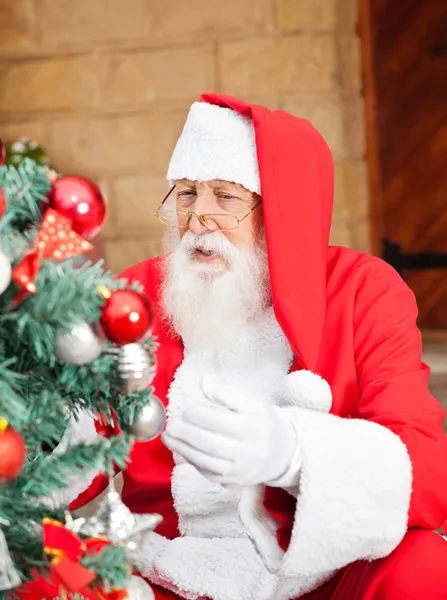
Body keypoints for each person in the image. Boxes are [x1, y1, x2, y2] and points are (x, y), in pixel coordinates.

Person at [72, 94, 447, 599]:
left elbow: (426, 473)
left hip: (327, 573)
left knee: (422, 565)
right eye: (186, 194)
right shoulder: (134, 298)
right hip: (172, 574)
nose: (198, 218)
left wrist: (295, 454)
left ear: (282, 212)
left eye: (225, 197)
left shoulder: (361, 290)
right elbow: (73, 463)